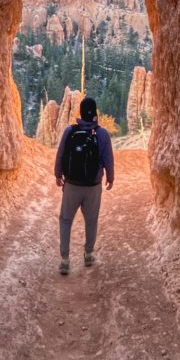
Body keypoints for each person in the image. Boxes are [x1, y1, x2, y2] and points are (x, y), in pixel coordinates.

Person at [54, 96, 114, 275]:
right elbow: (108, 159)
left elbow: (61, 154)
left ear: (80, 112)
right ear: (95, 112)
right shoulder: (102, 134)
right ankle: (88, 255)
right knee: (91, 220)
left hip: (72, 184)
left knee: (66, 220)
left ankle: (64, 260)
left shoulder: (70, 131)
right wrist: (110, 177)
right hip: (93, 186)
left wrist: (58, 175)